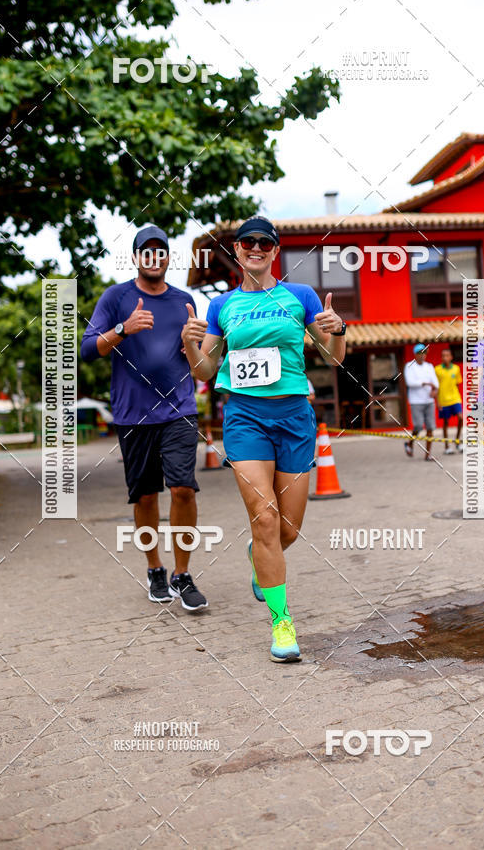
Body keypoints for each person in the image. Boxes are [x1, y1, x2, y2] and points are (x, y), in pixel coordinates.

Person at [181, 215, 346, 662]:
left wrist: (338, 330)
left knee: (288, 528)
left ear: (275, 251)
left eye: (264, 243)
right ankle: (282, 622)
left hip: (294, 418)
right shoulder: (222, 306)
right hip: (245, 418)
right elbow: (205, 371)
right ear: (237, 250)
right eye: (247, 242)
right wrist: (190, 343)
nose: (256, 248)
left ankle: (259, 556)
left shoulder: (301, 296)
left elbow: (332, 358)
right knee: (266, 518)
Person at [81, 224, 208, 611]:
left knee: (183, 488)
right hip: (133, 415)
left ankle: (182, 574)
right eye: (146, 251)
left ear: (168, 257)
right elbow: (88, 349)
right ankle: (155, 568)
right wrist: (123, 328)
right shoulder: (116, 297)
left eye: (161, 251)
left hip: (179, 410)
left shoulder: (184, 300)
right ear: (136, 257)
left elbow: (198, 359)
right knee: (146, 495)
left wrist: (191, 342)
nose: (154, 257)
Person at [403, 343, 438, 460]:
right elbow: (410, 382)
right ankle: (409, 443)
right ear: (415, 354)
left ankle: (428, 454)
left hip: (429, 401)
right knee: (418, 426)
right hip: (416, 401)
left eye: (424, 353)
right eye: (420, 353)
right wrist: (425, 383)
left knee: (430, 427)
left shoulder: (429, 366)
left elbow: (435, 383)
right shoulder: (409, 366)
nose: (422, 355)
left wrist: (435, 390)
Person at [434, 347, 463, 454]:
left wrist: (459, 398)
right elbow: (435, 387)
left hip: (455, 399)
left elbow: (457, 384)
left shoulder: (456, 368)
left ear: (451, 357)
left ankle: (457, 441)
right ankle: (447, 447)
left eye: (447, 355)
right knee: (446, 423)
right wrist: (437, 402)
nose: (445, 358)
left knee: (461, 418)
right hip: (443, 400)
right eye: (443, 356)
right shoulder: (437, 370)